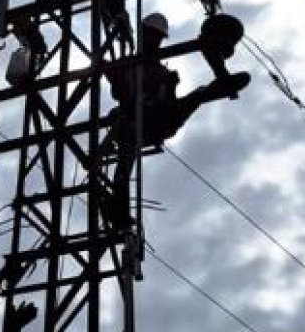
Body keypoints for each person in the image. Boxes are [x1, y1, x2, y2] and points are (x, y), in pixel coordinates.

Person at [103, 12, 249, 229]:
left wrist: (169, 86)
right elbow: (118, 91)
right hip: (136, 120)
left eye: (159, 37)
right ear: (142, 34)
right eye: (152, 35)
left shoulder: (162, 71)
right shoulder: (128, 64)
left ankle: (221, 85)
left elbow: (169, 102)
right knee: (126, 156)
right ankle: (118, 210)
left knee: (200, 94)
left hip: (162, 119)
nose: (156, 41)